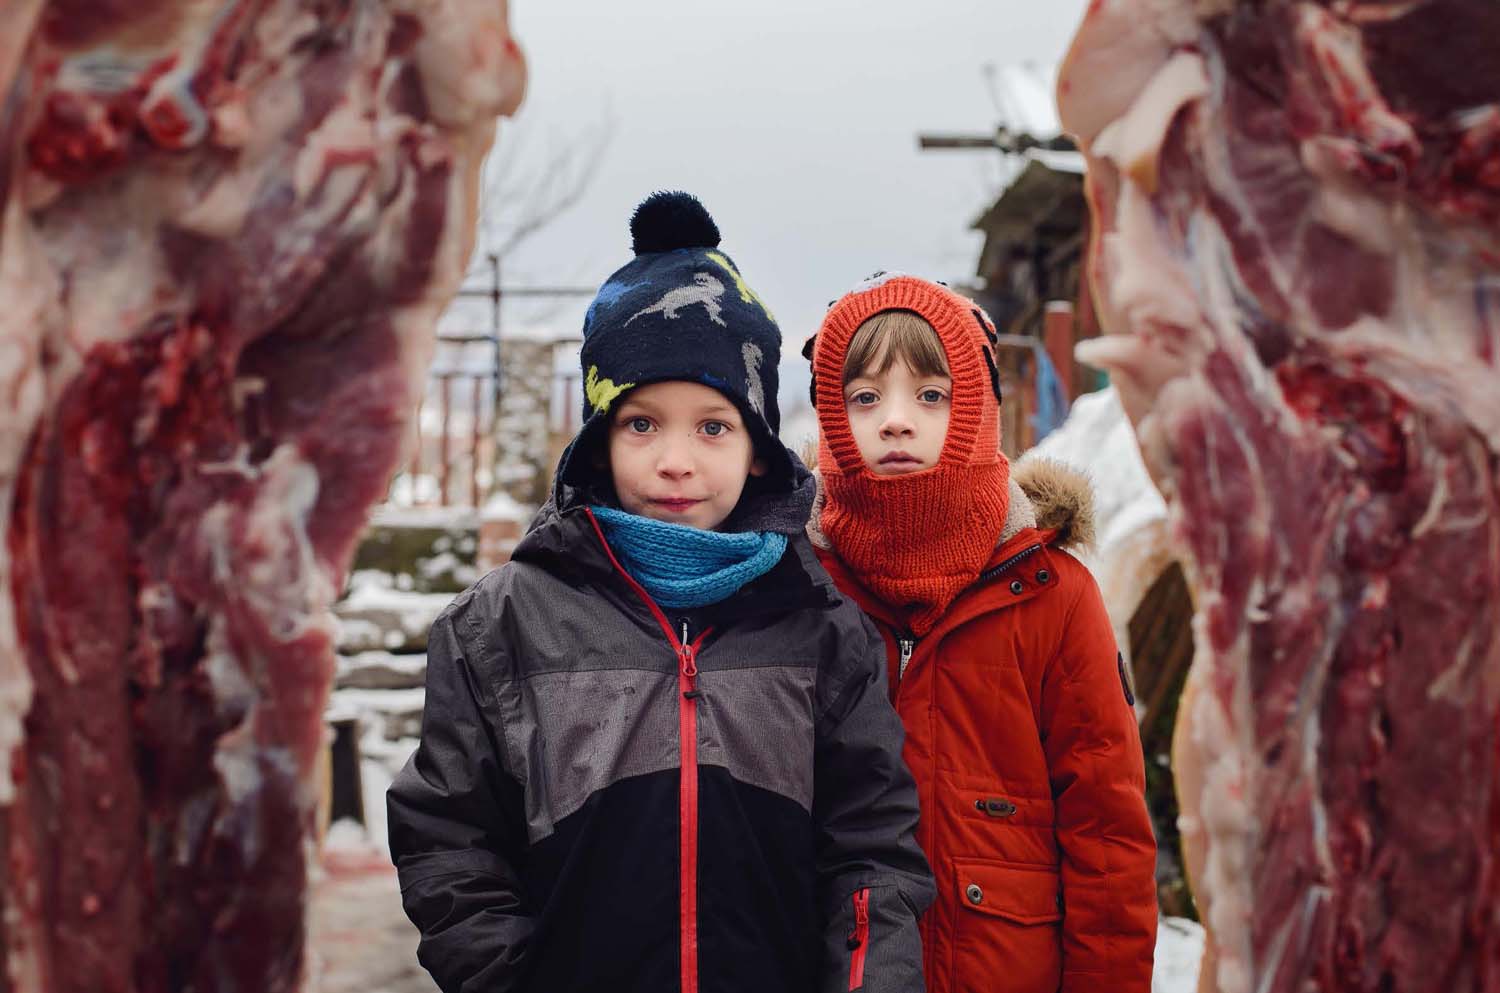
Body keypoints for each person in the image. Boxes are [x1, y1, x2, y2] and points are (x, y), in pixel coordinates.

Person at [388, 194, 934, 993]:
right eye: (642, 423)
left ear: (757, 449)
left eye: (712, 426)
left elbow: (872, 851)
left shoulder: (819, 628)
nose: (676, 460)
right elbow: (448, 839)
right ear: (599, 440)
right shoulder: (499, 626)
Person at [803, 272, 1158, 993]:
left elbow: (1108, 839)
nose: (896, 420)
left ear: (975, 407)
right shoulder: (795, 590)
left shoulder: (1054, 597)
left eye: (930, 394)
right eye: (865, 396)